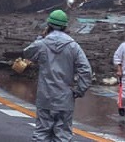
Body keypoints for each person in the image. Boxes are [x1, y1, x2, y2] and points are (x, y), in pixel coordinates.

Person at [23, 10, 92, 141]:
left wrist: (41, 38)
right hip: (65, 98)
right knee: (63, 135)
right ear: (65, 27)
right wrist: (80, 90)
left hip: (45, 97)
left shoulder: (42, 44)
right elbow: (86, 70)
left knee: (41, 133)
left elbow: (27, 53)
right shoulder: (73, 46)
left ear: (48, 25)